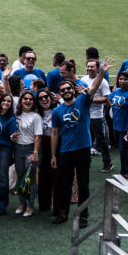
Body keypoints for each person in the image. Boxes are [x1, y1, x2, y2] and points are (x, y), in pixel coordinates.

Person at [50, 58, 112, 227]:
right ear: (60, 93)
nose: (66, 91)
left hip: (83, 150)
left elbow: (94, 87)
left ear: (73, 90)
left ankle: (83, 215)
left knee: (83, 185)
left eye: (69, 88)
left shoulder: (83, 102)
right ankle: (63, 213)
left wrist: (102, 71)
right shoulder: (57, 111)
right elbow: (55, 133)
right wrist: (53, 155)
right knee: (65, 184)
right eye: (63, 90)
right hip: (65, 151)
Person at [78, 59, 113, 173]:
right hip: (84, 115)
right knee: (84, 139)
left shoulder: (103, 82)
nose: (89, 68)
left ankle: (107, 163)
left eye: (92, 67)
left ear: (97, 68)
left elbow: (107, 98)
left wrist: (92, 100)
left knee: (101, 140)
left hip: (97, 116)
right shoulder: (83, 79)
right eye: (88, 66)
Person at [12, 91, 43, 217]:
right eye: (25, 99)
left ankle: (30, 205)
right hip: (18, 149)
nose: (28, 101)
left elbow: (38, 136)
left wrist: (35, 153)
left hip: (31, 150)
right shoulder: (16, 114)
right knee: (20, 178)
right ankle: (22, 203)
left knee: (30, 180)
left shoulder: (36, 117)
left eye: (30, 99)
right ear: (21, 101)